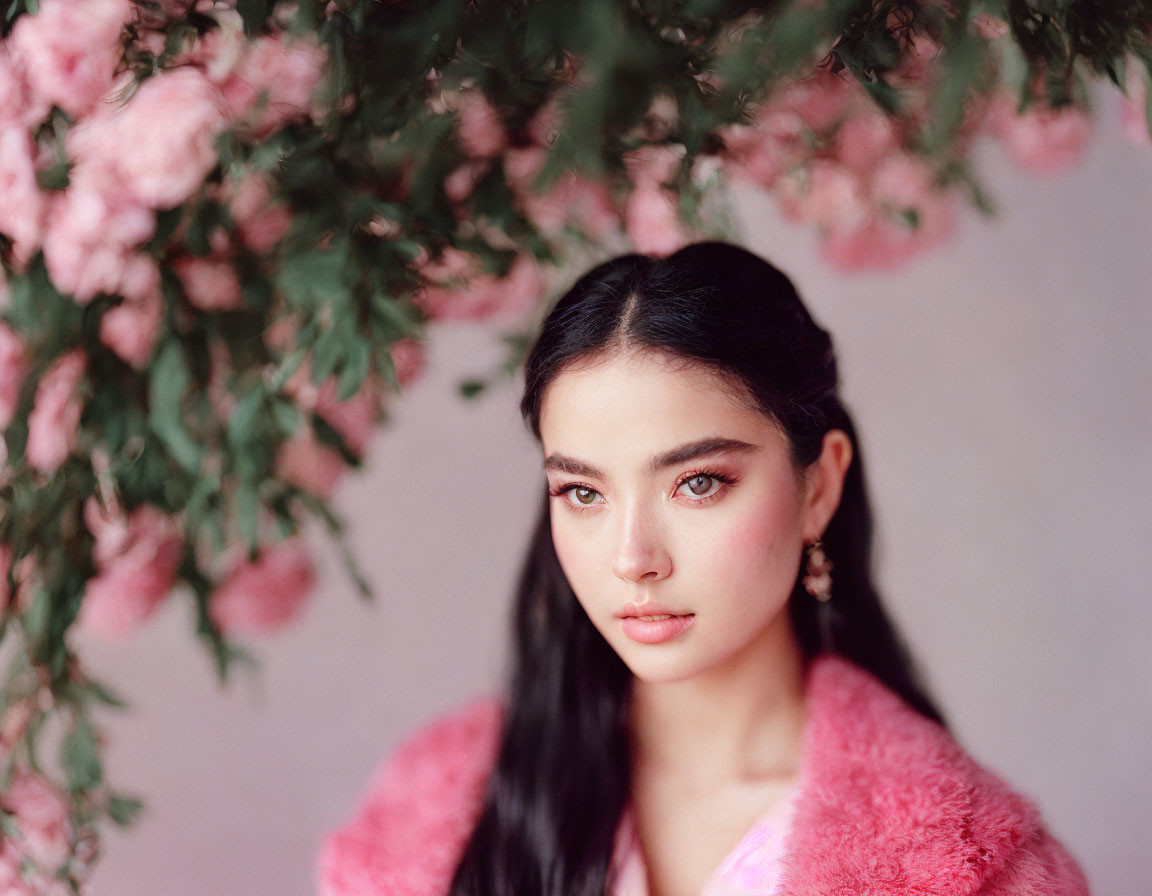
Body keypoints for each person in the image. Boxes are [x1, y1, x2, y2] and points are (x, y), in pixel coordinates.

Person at [315, 243, 1090, 896]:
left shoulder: (975, 862)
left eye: (698, 483)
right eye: (582, 491)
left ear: (817, 486)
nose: (632, 557)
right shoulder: (428, 817)